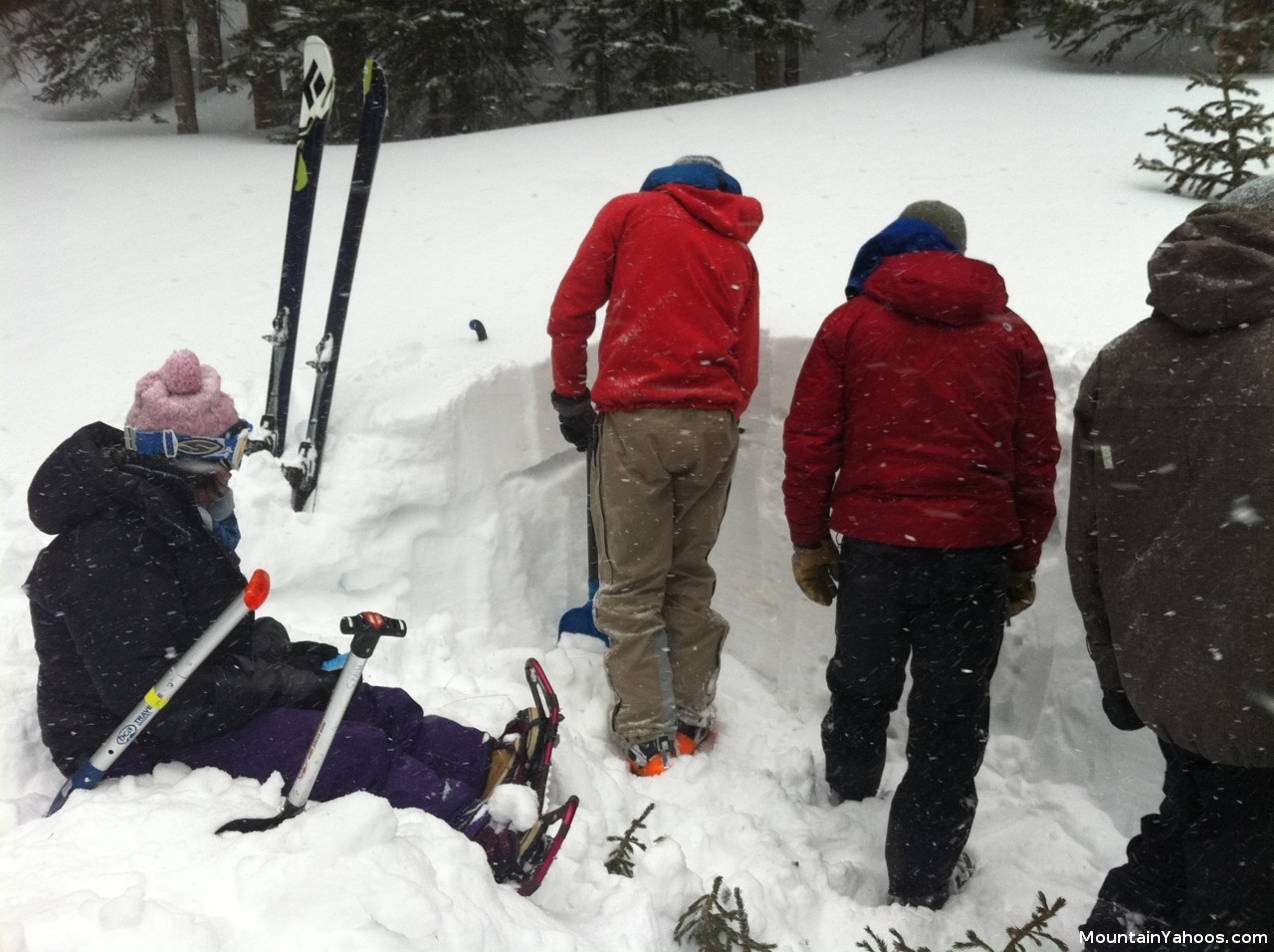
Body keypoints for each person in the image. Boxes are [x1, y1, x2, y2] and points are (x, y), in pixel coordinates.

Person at [26, 349, 564, 889]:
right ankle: (480, 834)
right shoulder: (109, 551)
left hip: (192, 694)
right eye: (222, 467)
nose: (228, 483)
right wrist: (272, 683)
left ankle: (486, 764)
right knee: (344, 747)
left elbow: (195, 634)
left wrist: (275, 657)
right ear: (180, 466)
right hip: (128, 736)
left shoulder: (167, 522)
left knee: (358, 698)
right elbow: (156, 697)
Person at [782, 201, 1059, 908]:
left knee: (863, 678)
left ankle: (849, 789)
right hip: (972, 556)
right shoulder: (1012, 337)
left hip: (877, 546)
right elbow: (1035, 461)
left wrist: (810, 539)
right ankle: (922, 878)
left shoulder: (851, 324)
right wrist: (1023, 558)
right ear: (962, 254)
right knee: (950, 718)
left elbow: (812, 441)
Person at [1066, 177, 1274, 945]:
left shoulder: (1124, 359)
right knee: (1241, 862)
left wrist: (1116, 668)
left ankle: (1124, 929)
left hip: (1169, 662)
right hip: (1259, 675)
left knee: (1191, 811)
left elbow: (1086, 534)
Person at [547, 155, 763, 776]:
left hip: (637, 422)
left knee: (632, 585)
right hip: (714, 425)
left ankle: (645, 736)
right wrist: (716, 412)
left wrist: (569, 392)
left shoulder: (629, 214)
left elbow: (572, 311)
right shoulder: (736, 247)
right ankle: (693, 718)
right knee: (689, 573)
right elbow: (744, 356)